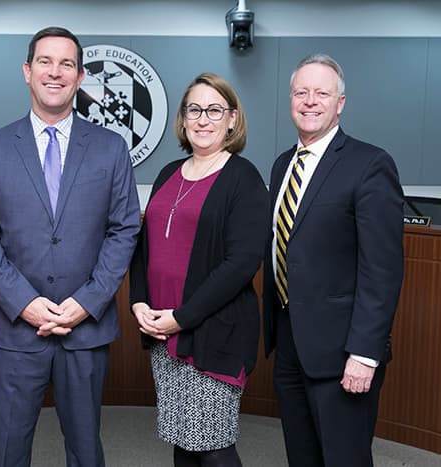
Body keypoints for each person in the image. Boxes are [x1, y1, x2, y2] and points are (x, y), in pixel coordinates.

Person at [0, 26, 140, 467]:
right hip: (16, 330)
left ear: (80, 77)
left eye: (66, 64)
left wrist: (87, 301)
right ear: (27, 71)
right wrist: (25, 303)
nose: (55, 72)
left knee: (85, 450)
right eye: (45, 61)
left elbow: (124, 231)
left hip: (86, 329)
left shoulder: (111, 148)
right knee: (8, 450)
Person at [262, 54, 404, 467]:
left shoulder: (370, 164)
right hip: (289, 342)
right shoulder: (282, 164)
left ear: (340, 103)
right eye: (301, 92)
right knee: (302, 457)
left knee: (345, 459)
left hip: (344, 352)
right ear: (291, 99)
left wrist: (364, 353)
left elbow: (382, 268)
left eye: (322, 93)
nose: (310, 101)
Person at [129, 72, 270, 467]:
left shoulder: (243, 178)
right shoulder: (168, 173)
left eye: (214, 110)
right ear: (183, 118)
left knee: (212, 445)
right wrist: (138, 301)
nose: (203, 119)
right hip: (163, 331)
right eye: (195, 109)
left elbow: (241, 263)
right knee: (183, 440)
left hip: (213, 334)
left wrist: (182, 318)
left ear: (232, 119)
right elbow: (145, 246)